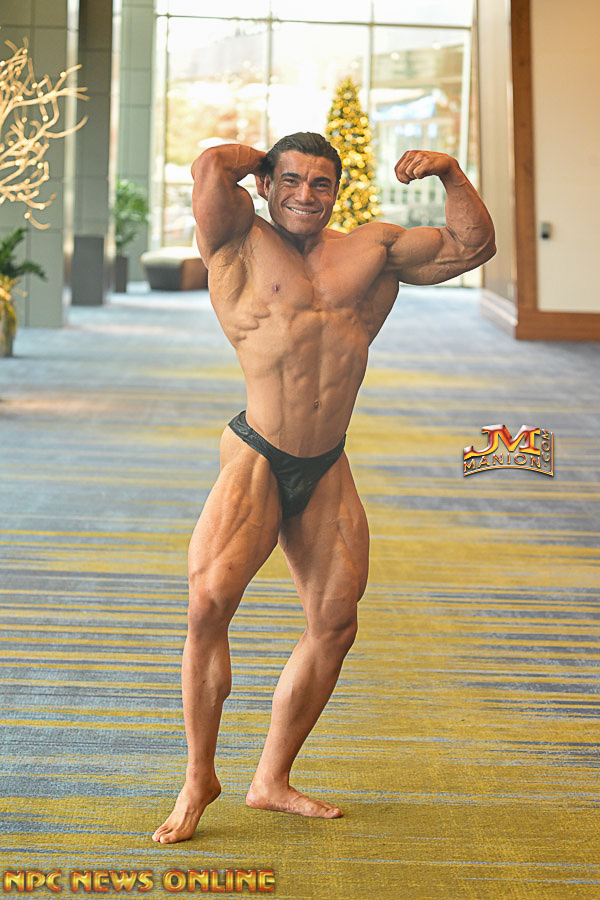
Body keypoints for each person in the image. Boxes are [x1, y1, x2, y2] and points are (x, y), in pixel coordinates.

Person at [152, 132, 495, 844]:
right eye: (291, 181)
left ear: (339, 191)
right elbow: (211, 166)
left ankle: (270, 779)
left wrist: (452, 175)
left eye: (321, 183)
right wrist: (263, 159)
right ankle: (198, 777)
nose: (306, 195)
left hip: (327, 460)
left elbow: (473, 247)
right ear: (266, 185)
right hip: (257, 452)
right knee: (208, 606)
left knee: (336, 622)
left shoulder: (372, 249)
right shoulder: (237, 239)